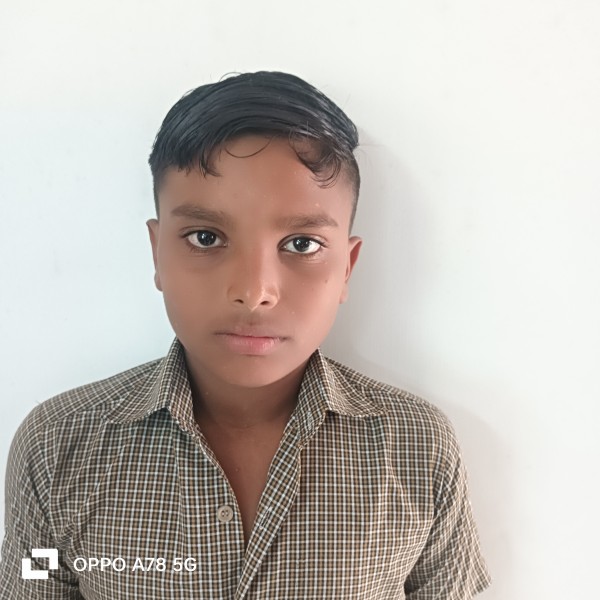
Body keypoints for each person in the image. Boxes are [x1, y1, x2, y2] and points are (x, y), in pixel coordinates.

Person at [0, 71, 491, 599]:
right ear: (157, 253)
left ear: (346, 267)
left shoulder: (417, 448)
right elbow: (34, 583)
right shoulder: (56, 447)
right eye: (205, 237)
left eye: (302, 244)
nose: (255, 292)